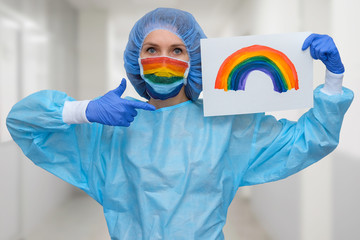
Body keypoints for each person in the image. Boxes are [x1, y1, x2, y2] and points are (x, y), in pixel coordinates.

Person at [6, 7, 353, 240]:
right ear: (136, 58)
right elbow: (21, 122)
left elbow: (312, 139)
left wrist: (333, 80)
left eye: (177, 50)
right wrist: (81, 111)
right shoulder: (111, 128)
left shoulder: (225, 126)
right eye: (151, 49)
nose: (163, 59)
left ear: (195, 58)